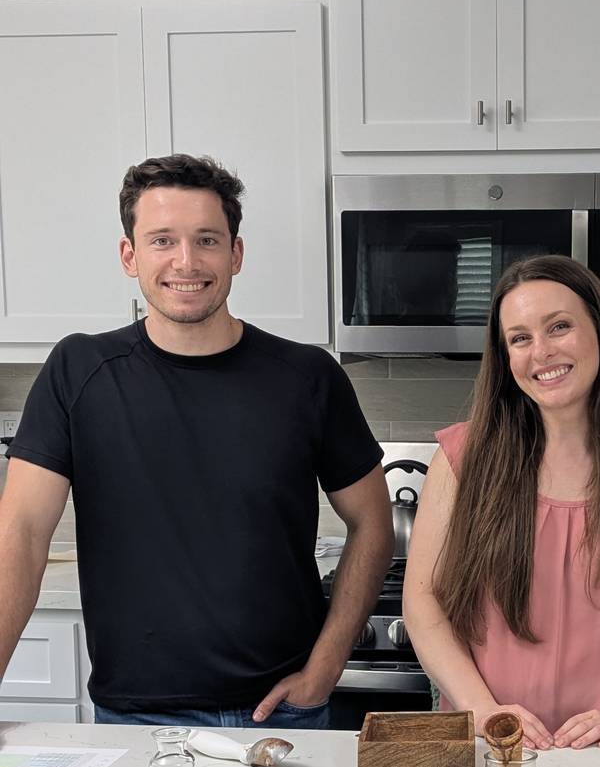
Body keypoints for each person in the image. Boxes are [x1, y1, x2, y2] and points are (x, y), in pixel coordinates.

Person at [0, 154, 393, 728]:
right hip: (137, 720)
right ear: (129, 255)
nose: (186, 262)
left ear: (236, 253)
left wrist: (326, 667)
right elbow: (22, 534)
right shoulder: (78, 370)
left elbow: (373, 522)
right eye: (162, 240)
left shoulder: (308, 376)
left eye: (207, 240)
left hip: (284, 714)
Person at [403, 255, 600, 749]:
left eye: (559, 327)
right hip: (489, 749)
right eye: (520, 338)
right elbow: (424, 601)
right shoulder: (462, 460)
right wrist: (484, 711)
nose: (542, 352)